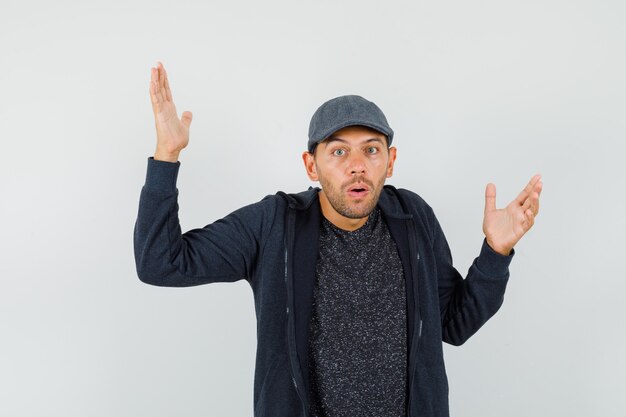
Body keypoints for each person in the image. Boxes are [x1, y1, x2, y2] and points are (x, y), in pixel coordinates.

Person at [134, 61, 542, 417]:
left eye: (371, 150)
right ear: (311, 165)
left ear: (391, 161)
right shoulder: (273, 223)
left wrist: (496, 251)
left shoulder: (413, 217)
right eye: (339, 152)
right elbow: (161, 262)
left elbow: (453, 324)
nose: (358, 167)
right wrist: (166, 155)